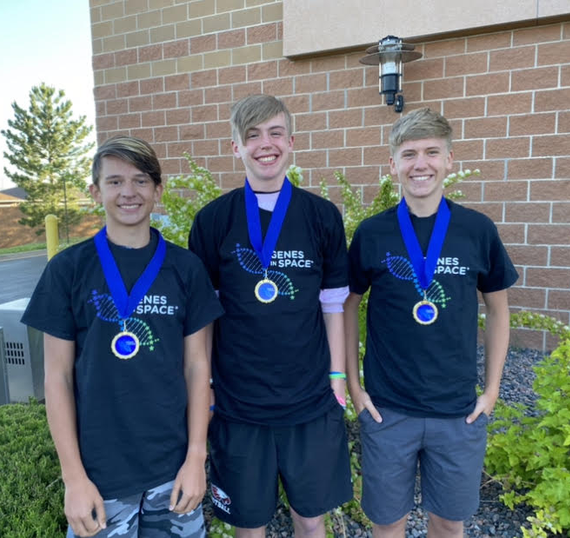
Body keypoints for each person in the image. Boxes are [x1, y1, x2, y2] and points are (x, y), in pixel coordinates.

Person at [22, 136, 223, 538]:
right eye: (115, 182)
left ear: (158, 190)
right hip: (100, 476)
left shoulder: (186, 269)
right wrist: (73, 478)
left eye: (140, 180)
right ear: (96, 192)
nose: (128, 192)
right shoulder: (68, 269)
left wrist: (195, 459)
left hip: (173, 470)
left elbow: (197, 367)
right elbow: (57, 377)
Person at [345, 108, 518, 538]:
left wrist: (491, 390)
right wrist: (354, 386)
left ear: (449, 160)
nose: (420, 164)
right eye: (408, 154)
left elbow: (498, 309)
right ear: (393, 164)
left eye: (431, 152)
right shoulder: (372, 233)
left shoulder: (476, 230)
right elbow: (347, 305)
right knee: (388, 524)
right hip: (388, 410)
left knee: (448, 523)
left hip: (457, 412)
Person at [188, 94, 352, 538]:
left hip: (311, 401)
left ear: (291, 142)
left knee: (311, 520)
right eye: (253, 135)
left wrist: (338, 380)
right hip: (238, 405)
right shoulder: (213, 220)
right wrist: (205, 387)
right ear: (236, 147)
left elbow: (333, 306)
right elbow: (203, 319)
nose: (266, 144)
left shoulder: (321, 216)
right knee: (249, 525)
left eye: (276, 133)